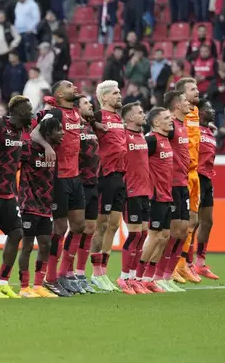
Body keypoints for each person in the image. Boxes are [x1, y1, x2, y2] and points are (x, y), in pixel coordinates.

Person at [31, 81, 86, 297]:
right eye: (70, 86)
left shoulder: (75, 113)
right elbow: (36, 133)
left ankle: (65, 274)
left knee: (79, 226)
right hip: (59, 177)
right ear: (60, 93)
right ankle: (50, 277)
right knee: (60, 228)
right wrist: (46, 146)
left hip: (75, 176)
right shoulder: (54, 113)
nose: (75, 88)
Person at [0, 95, 32, 298]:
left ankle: (3, 281)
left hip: (9, 192)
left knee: (17, 232)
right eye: (29, 110)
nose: (32, 113)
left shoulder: (23, 131)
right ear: (19, 112)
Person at [18, 116, 63, 298]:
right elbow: (32, 134)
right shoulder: (28, 149)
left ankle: (38, 285)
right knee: (27, 246)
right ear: (48, 133)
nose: (62, 133)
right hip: (28, 204)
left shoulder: (55, 150)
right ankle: (24, 287)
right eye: (58, 129)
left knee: (45, 244)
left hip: (45, 205)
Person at [88, 80, 126, 293]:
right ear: (103, 98)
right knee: (101, 224)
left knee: (113, 225)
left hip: (120, 175)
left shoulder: (118, 117)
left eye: (119, 92)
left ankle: (103, 268)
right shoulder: (98, 117)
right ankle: (96, 273)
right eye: (114, 93)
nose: (119, 96)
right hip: (104, 174)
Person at [153, 90, 191, 292]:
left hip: (183, 184)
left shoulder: (182, 127)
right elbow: (153, 139)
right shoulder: (171, 127)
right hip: (171, 185)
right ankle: (158, 275)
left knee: (183, 231)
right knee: (171, 233)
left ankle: (168, 275)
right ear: (177, 105)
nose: (189, 103)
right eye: (185, 100)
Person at [59, 96, 97, 294]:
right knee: (72, 228)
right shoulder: (69, 127)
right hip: (75, 181)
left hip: (93, 183)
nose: (91, 105)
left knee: (87, 229)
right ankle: (64, 272)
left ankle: (78, 274)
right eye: (85, 103)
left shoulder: (91, 127)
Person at [135, 106, 173, 293]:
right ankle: (137, 277)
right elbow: (136, 162)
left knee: (165, 236)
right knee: (154, 235)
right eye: (166, 118)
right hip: (155, 195)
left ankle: (149, 277)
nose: (171, 120)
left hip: (167, 195)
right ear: (156, 122)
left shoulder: (166, 140)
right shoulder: (150, 140)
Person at [117, 102, 151, 294]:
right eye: (139, 113)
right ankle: (123, 278)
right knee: (135, 234)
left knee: (144, 235)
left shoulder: (141, 136)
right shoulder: (124, 135)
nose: (143, 114)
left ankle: (133, 277)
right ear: (129, 118)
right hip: (131, 192)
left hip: (145, 192)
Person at [175, 78, 202, 283]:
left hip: (195, 174)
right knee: (178, 223)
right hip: (181, 175)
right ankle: (170, 266)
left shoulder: (196, 113)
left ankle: (183, 265)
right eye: (193, 89)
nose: (197, 91)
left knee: (193, 220)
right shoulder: (178, 116)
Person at [195, 100, 219, 279]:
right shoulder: (192, 127)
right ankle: (183, 262)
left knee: (208, 221)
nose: (212, 111)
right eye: (208, 109)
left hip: (208, 178)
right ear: (200, 112)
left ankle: (200, 262)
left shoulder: (211, 131)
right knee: (191, 222)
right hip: (195, 176)